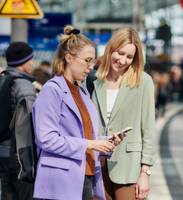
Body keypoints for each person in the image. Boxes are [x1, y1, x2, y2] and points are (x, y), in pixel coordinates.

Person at [32, 26, 121, 200]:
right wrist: (90, 144)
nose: (90, 67)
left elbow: (83, 135)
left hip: (84, 176)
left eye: (93, 61)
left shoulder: (82, 92)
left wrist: (105, 142)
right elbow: (47, 139)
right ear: (69, 58)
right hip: (60, 182)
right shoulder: (52, 90)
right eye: (87, 60)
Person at [92, 27, 156, 200]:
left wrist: (145, 173)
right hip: (97, 164)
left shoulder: (143, 82)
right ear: (110, 49)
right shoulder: (95, 81)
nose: (122, 60)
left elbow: (148, 129)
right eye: (120, 53)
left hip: (129, 167)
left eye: (129, 57)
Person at [0, 41, 38, 200]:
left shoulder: (1, 79)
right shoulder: (24, 85)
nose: (32, 63)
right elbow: (32, 121)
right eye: (30, 59)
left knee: (7, 193)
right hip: (18, 154)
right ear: (23, 62)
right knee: (24, 194)